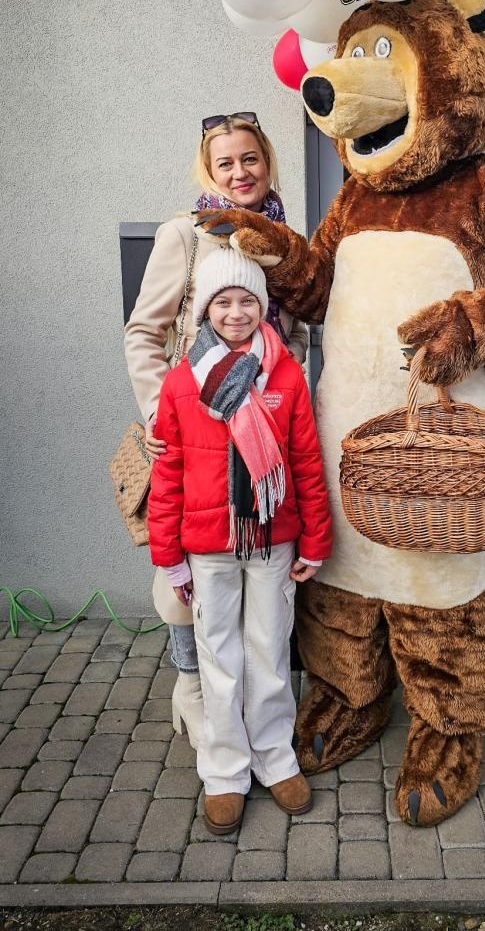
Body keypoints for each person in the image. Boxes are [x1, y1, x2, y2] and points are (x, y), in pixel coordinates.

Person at [124, 114, 308, 747]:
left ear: (268, 162)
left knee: (260, 571)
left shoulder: (283, 239)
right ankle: (192, 689)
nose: (239, 173)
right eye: (225, 163)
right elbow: (144, 333)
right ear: (208, 171)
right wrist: (160, 412)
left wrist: (284, 387)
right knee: (183, 568)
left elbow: (297, 328)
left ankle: (258, 705)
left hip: (264, 430)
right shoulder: (184, 234)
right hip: (194, 425)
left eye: (249, 159)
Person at [146, 249, 332, 834]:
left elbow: (306, 461)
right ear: (205, 309)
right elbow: (168, 473)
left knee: (269, 650)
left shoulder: (285, 375)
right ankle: (225, 770)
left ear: (262, 307)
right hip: (207, 545)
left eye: (247, 300)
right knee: (218, 655)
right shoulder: (182, 382)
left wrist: (315, 540)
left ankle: (275, 758)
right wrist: (169, 557)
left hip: (273, 538)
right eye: (222, 301)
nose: (235, 312)